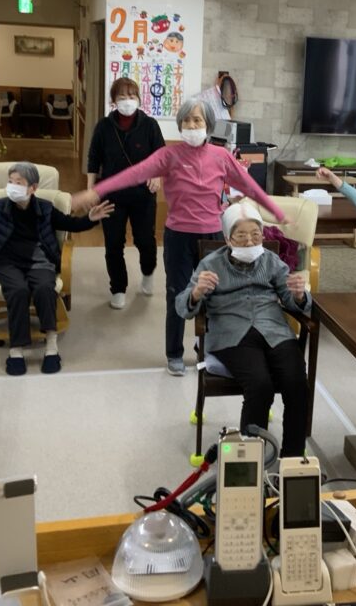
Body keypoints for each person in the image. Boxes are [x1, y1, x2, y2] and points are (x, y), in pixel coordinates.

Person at [73, 100, 285, 377]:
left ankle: (209, 348)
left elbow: (249, 186)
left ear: (208, 125)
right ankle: (174, 353)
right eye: (187, 121)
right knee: (178, 293)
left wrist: (276, 211)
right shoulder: (168, 155)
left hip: (212, 237)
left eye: (197, 120)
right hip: (178, 237)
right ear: (180, 125)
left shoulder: (221, 156)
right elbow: (134, 174)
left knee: (215, 295)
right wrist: (96, 191)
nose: (192, 125)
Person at [0, 162, 113, 376]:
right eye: (10, 181)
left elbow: (69, 224)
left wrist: (90, 220)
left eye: (19, 182)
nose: (12, 186)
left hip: (39, 260)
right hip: (7, 261)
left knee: (45, 288)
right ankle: (16, 350)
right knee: (18, 291)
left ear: (33, 188)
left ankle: (51, 346)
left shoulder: (45, 208)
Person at [177, 204, 310, 457]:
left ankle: (292, 457)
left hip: (273, 329)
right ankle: (250, 460)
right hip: (231, 333)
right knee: (260, 385)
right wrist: (196, 292)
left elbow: (291, 299)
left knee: (296, 383)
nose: (250, 241)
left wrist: (299, 296)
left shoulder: (271, 260)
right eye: (241, 235)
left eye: (256, 235)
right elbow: (182, 307)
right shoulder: (211, 264)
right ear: (228, 238)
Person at [87, 77, 166, 310]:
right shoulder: (104, 126)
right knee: (113, 243)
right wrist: (91, 189)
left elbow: (161, 157)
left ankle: (148, 272)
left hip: (143, 195)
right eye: (122, 96)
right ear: (113, 101)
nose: (127, 101)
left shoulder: (150, 125)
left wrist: (157, 176)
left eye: (132, 96)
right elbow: (93, 159)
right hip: (112, 195)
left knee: (145, 240)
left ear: (139, 99)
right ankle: (118, 288)